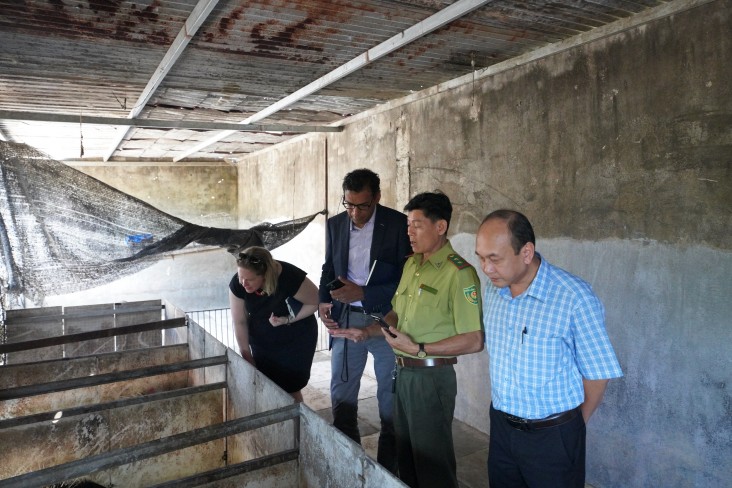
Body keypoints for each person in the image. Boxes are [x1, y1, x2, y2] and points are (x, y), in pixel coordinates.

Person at [475, 209, 623, 487]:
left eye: (494, 259)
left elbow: (597, 375)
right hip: (502, 429)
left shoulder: (574, 297)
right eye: (481, 258)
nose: (486, 268)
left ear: (527, 252)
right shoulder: (493, 289)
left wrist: (571, 427)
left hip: (553, 436)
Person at [379, 191, 484, 488]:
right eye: (408, 225)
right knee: (407, 458)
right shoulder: (411, 265)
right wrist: (379, 328)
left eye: (417, 225)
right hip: (402, 373)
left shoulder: (459, 274)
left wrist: (419, 348)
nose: (409, 232)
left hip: (431, 377)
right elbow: (396, 314)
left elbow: (474, 340)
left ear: (441, 227)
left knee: (432, 465)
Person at [318, 168, 410, 473]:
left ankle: (388, 472)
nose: (355, 213)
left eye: (363, 206)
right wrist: (323, 300)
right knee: (342, 394)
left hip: (386, 319)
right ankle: (349, 465)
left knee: (390, 399)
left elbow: (408, 278)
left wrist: (365, 292)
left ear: (378, 198)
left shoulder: (397, 224)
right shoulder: (335, 225)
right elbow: (329, 267)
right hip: (346, 319)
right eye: (349, 205)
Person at [229, 246, 319, 403]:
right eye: (240, 276)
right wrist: (246, 354)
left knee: (290, 387)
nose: (243, 283)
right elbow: (239, 321)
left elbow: (315, 302)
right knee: (266, 383)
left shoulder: (290, 277)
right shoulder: (238, 284)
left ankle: (296, 422)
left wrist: (287, 319)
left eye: (249, 279)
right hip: (263, 341)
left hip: (296, 338)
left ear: (265, 276)